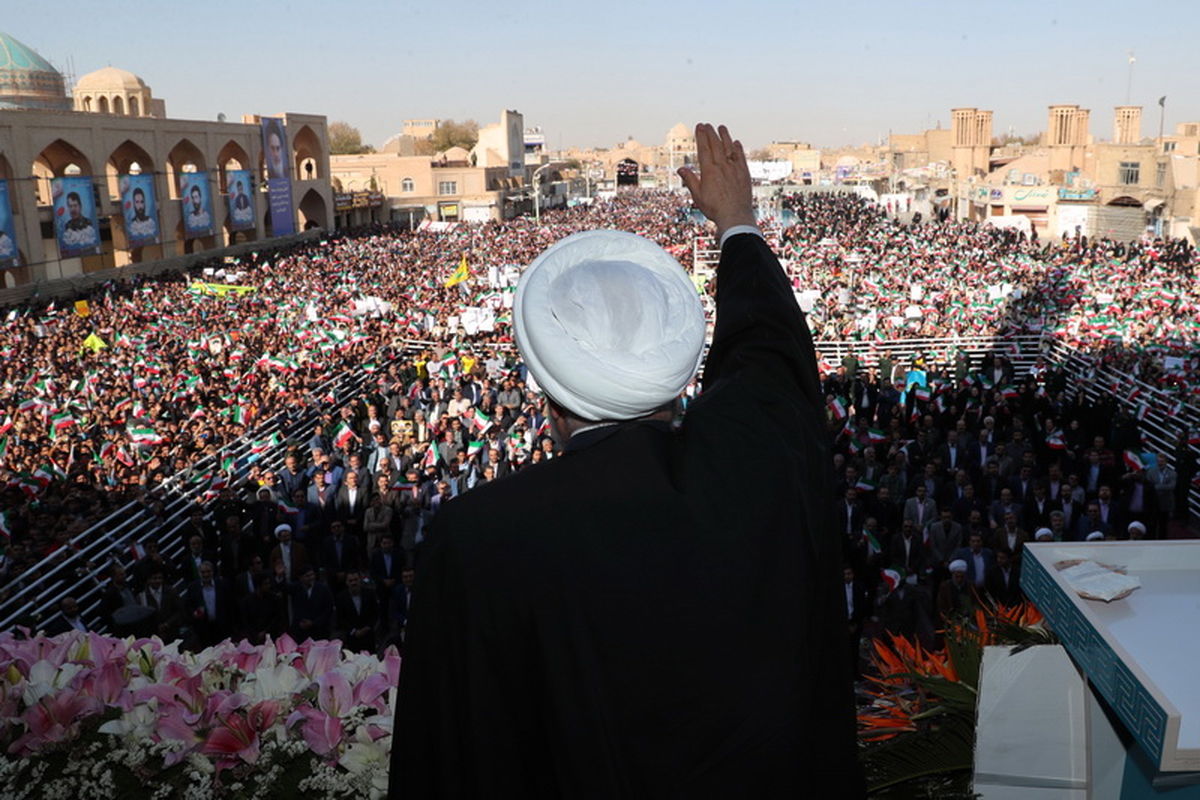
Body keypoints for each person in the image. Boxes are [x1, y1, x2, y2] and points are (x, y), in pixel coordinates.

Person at [391, 124, 862, 796]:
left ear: (549, 392)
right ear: (673, 369)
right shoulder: (762, 466)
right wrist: (737, 223)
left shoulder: (479, 540)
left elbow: (447, 759)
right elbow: (770, 352)